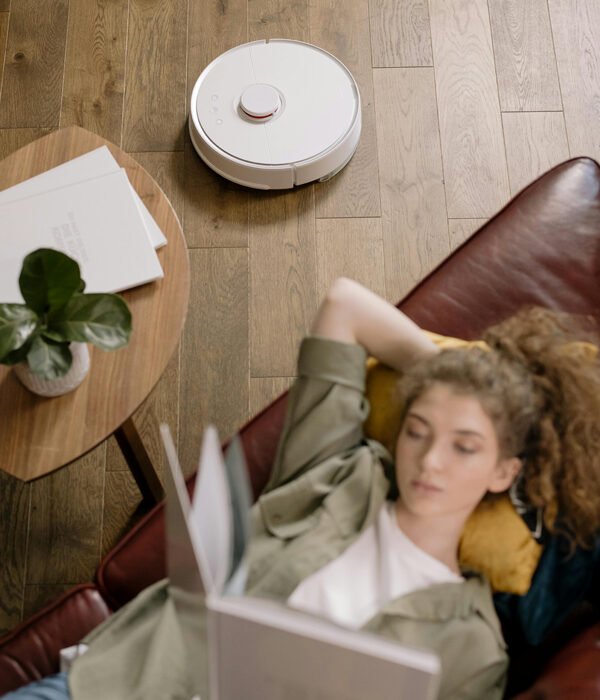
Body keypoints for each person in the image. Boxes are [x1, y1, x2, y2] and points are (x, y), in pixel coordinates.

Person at [5, 278, 600, 700]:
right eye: (418, 431)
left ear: (504, 473)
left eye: (465, 446)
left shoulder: (473, 647)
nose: (431, 459)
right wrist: (469, 382)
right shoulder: (342, 470)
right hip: (109, 687)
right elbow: (344, 305)